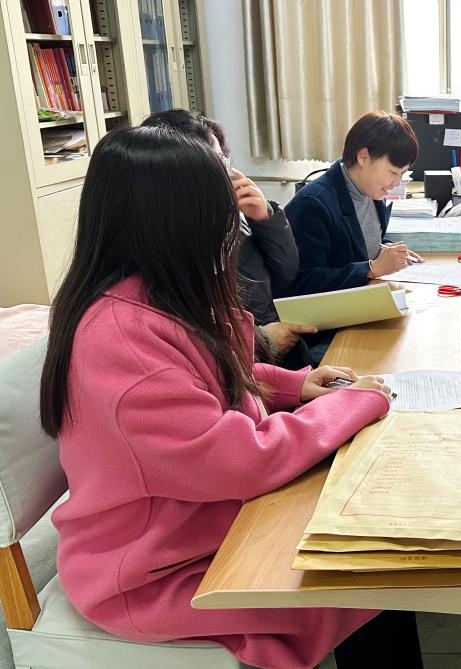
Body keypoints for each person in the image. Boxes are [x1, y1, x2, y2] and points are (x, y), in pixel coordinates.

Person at [39, 126, 423, 669]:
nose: (232, 227)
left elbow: (211, 378)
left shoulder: (155, 293)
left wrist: (294, 384)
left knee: (369, 546)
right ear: (176, 220)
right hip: (153, 573)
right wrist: (350, 404)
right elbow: (237, 459)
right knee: (367, 570)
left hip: (200, 526)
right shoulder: (120, 339)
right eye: (222, 211)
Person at [141, 109, 315, 370]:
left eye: (221, 159)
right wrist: (260, 340)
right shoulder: (170, 238)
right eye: (209, 163)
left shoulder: (234, 212)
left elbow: (286, 272)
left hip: (279, 350)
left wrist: (265, 220)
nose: (222, 172)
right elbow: (193, 337)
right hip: (243, 363)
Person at [286, 111, 422, 295]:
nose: (397, 183)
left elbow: (360, 244)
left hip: (361, 295)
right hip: (329, 309)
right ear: (363, 157)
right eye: (393, 172)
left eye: (402, 173)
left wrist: (387, 250)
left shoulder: (371, 191)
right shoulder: (313, 204)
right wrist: (372, 268)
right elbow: (304, 283)